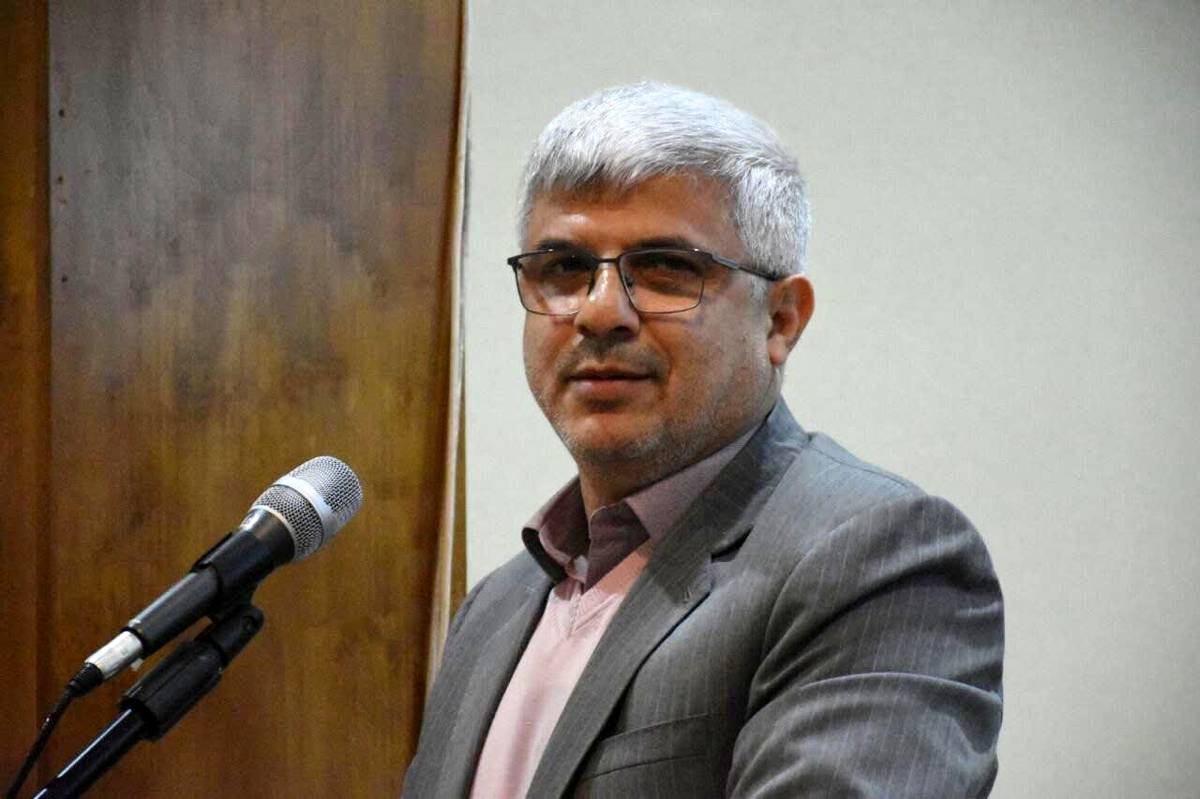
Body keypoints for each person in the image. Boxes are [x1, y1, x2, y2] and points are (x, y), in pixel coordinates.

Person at [403, 82, 1003, 798]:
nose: (600, 312)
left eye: (666, 268)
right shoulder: (492, 609)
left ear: (780, 320)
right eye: (563, 269)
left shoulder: (879, 558)